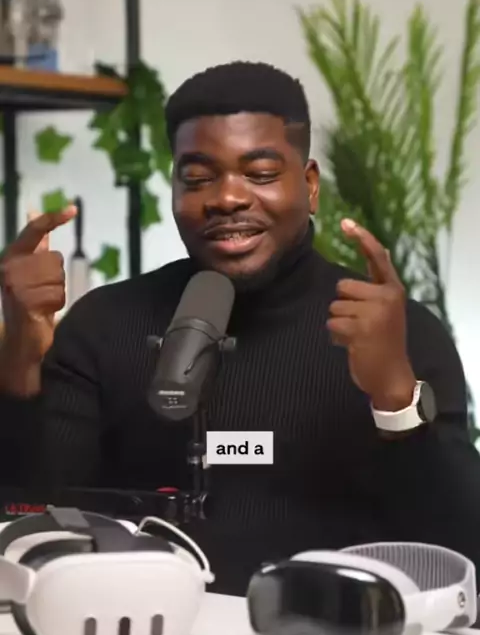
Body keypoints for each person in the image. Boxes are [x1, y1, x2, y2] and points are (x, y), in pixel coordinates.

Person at [0, 60, 480, 596]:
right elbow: (30, 525)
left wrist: (394, 396)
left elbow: (464, 556)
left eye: (261, 173)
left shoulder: (398, 333)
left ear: (310, 185)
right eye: (198, 178)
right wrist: (20, 355)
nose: (227, 198)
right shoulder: (106, 326)